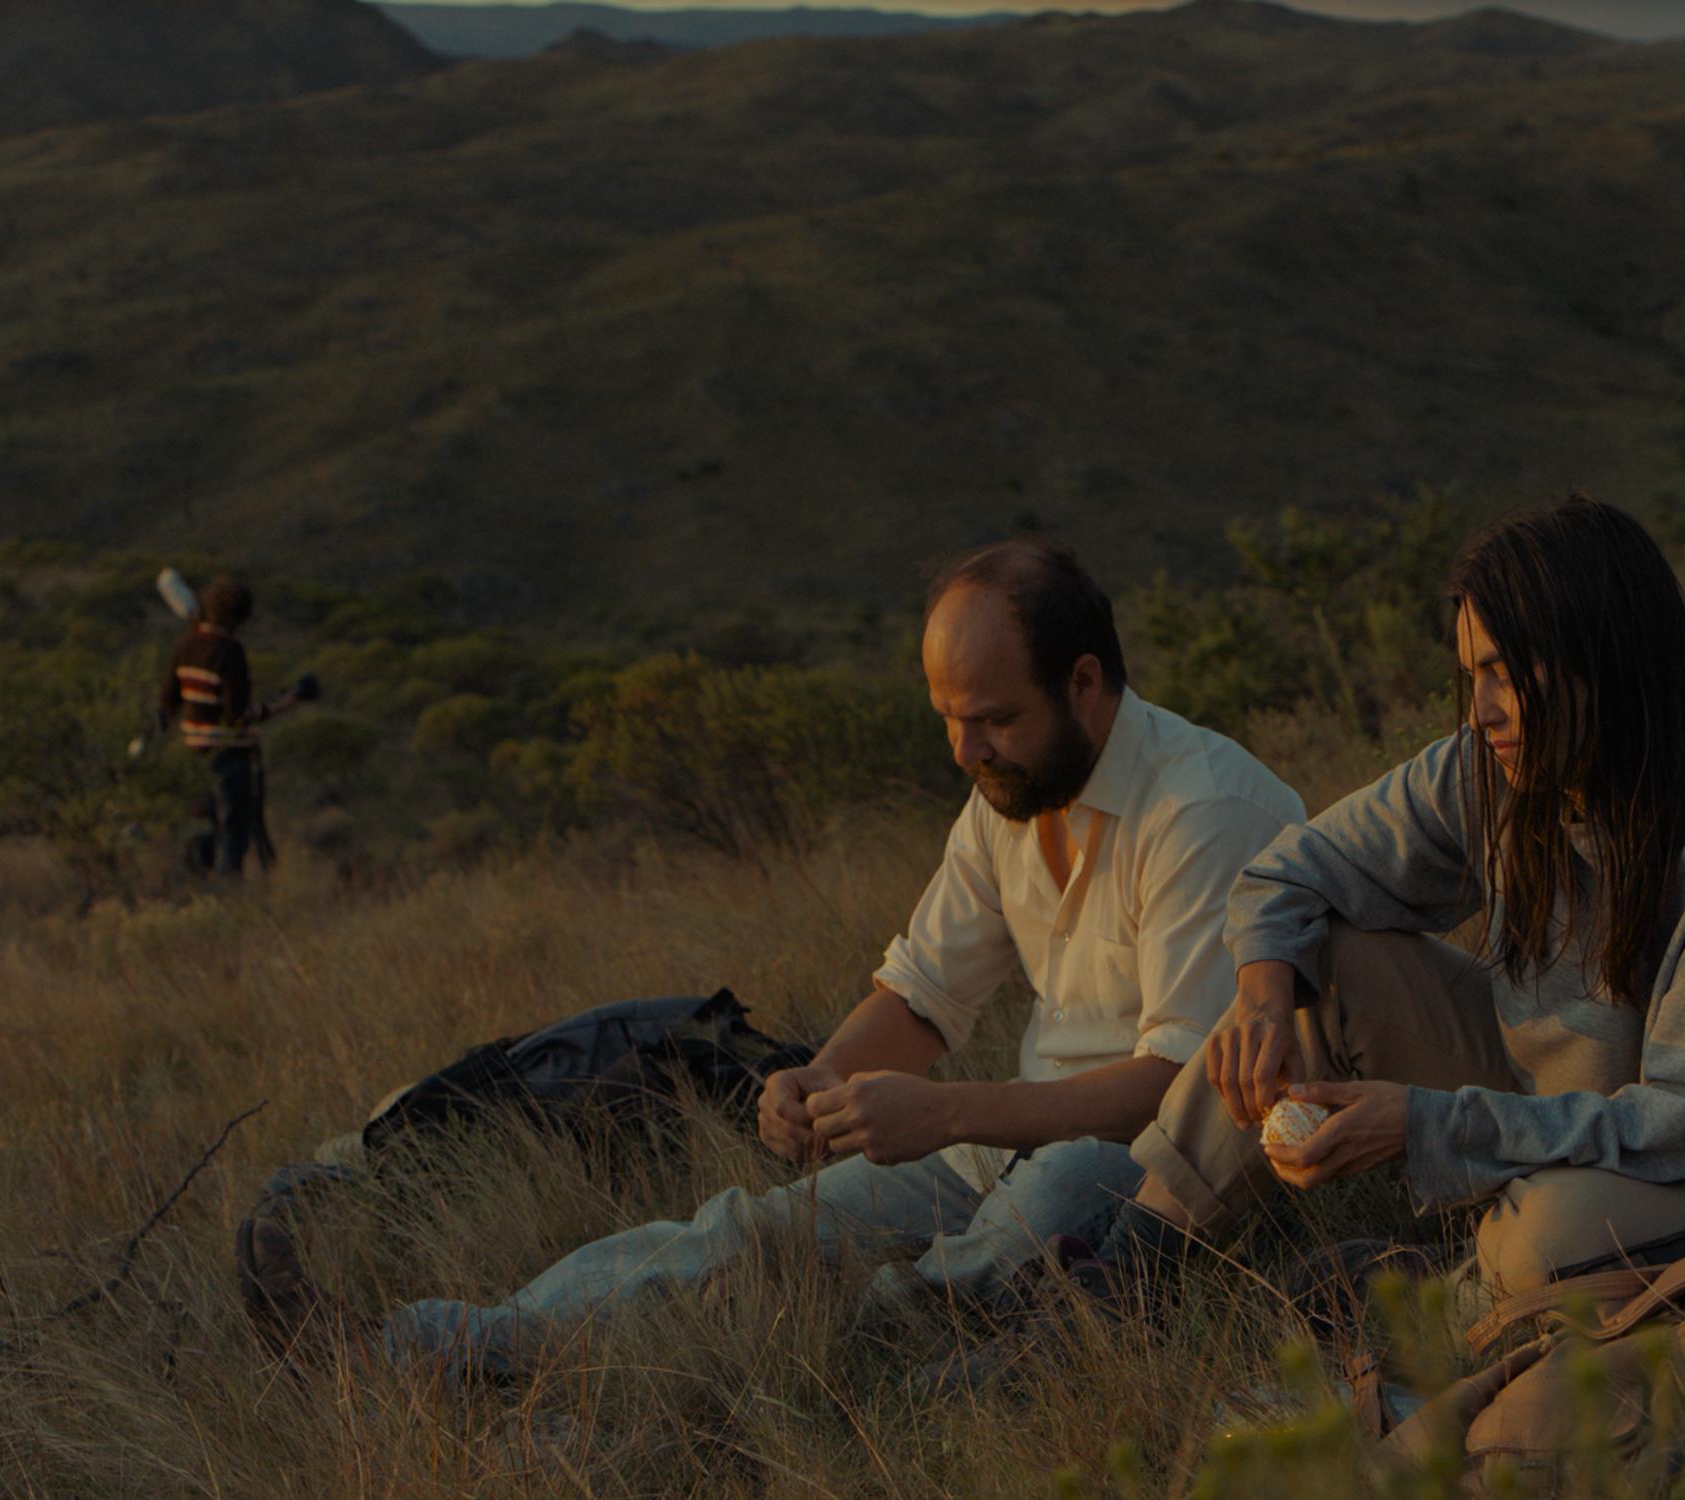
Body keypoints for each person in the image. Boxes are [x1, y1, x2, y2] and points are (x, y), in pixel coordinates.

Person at [238, 537, 1306, 1376]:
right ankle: (421, 1351)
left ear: (1084, 683)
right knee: (748, 1231)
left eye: (991, 720)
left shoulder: (1201, 809)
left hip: (1163, 1168)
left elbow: (1175, 1091)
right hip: (1006, 1143)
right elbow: (923, 996)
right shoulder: (1010, 793)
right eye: (946, 719)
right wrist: (819, 1079)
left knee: (1051, 1200)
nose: (964, 751)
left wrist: (946, 1114)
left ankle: (860, 1342)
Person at [1086, 496, 1685, 1303]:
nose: (1482, 711)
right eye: (1472, 675)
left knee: (1547, 1240)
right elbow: (1288, 873)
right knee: (1314, 968)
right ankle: (1127, 1270)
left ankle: (1433, 1300)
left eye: (1506, 672)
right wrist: (1264, 1000)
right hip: (1564, 1110)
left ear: (1603, 659)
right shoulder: (1488, 769)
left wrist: (1427, 1124)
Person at [158, 576, 290, 877]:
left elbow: (168, 701)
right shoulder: (231, 651)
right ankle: (227, 893)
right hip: (228, 756)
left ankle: (195, 889)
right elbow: (236, 716)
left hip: (192, 754)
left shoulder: (185, 644)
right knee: (232, 833)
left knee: (202, 829)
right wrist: (282, 704)